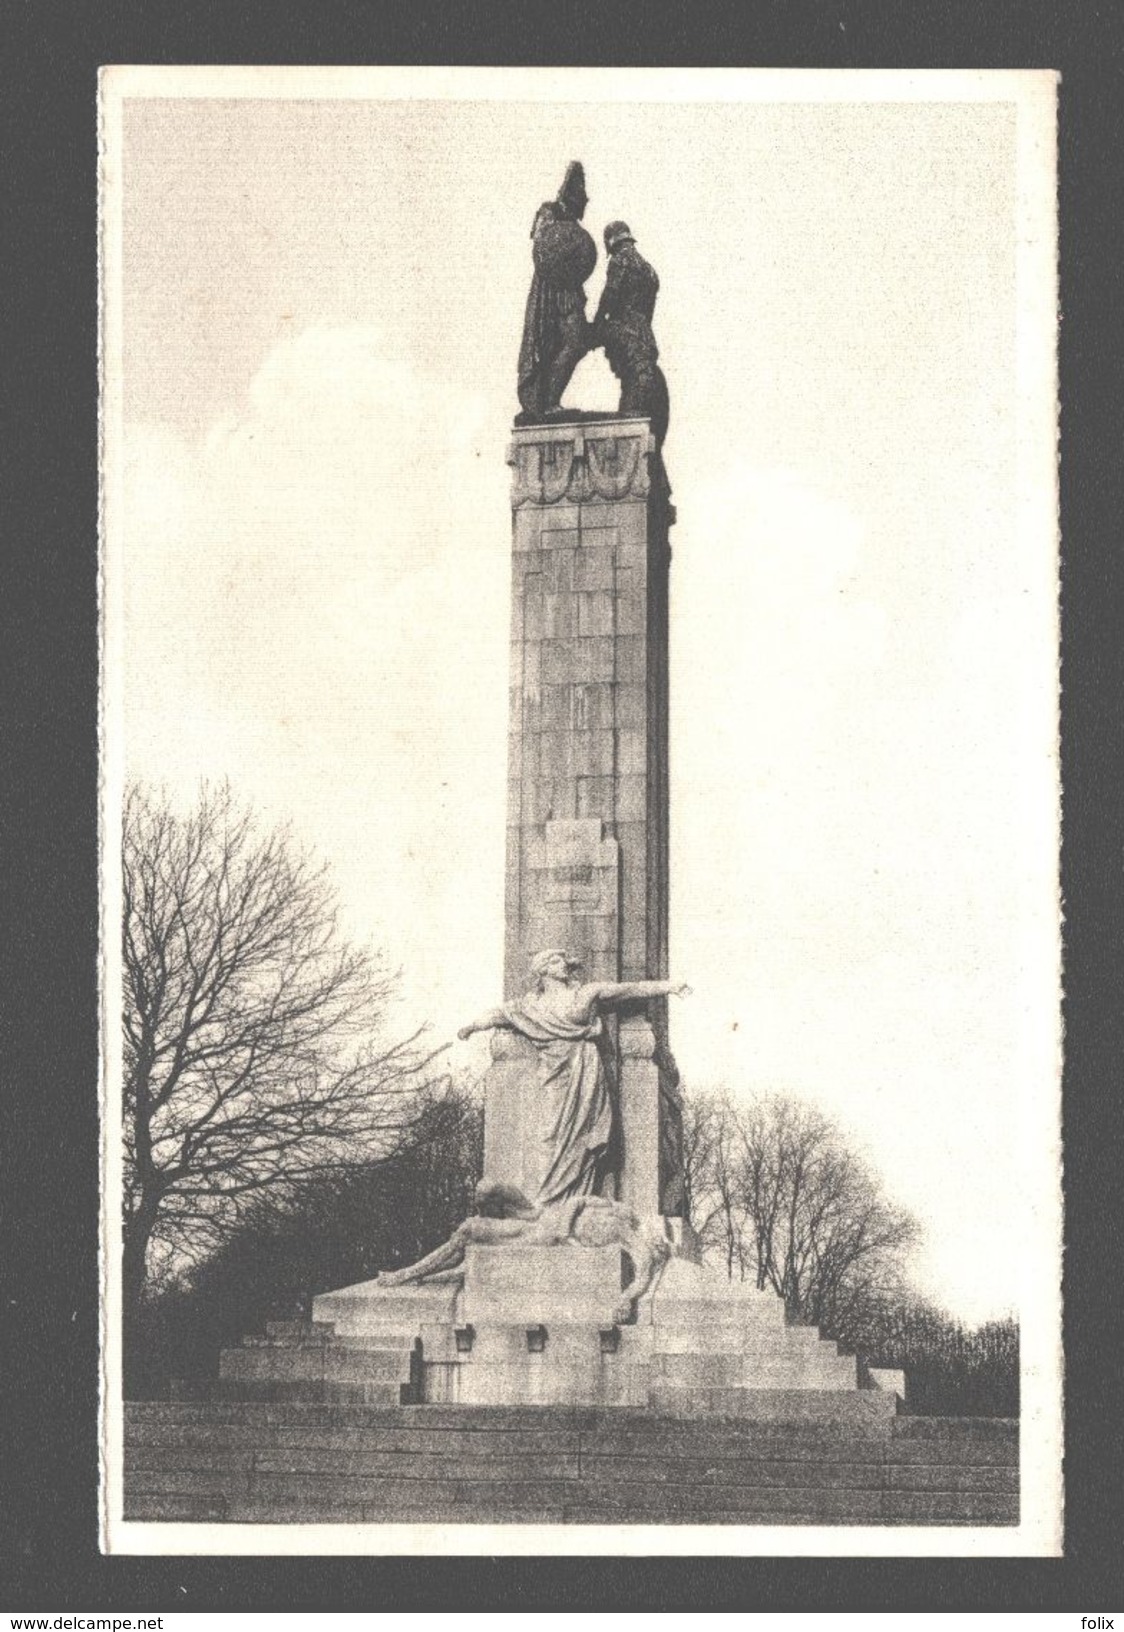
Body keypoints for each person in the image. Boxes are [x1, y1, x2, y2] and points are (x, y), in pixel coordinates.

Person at [458, 948, 691, 1206]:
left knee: (583, 1140)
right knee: (549, 1135)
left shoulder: (585, 994)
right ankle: (546, 1203)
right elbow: (496, 1014)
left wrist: (669, 986)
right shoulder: (529, 1006)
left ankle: (574, 1203)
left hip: (585, 1072)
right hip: (554, 1076)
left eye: (564, 961)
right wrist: (470, 1027)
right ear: (543, 969)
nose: (564, 966)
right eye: (557, 961)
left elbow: (629, 989)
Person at [516, 163, 598, 420]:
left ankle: (551, 401)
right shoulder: (549, 212)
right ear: (572, 192)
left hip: (569, 288)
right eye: (582, 193)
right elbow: (542, 248)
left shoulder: (570, 222)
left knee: (576, 342)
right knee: (574, 341)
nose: (585, 199)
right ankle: (549, 403)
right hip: (553, 291)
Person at [590, 220, 669, 447]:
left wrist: (597, 323)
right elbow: (649, 310)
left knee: (632, 386)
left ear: (611, 243)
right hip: (645, 334)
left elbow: (610, 294)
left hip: (625, 329)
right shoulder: (650, 270)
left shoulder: (619, 260)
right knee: (636, 379)